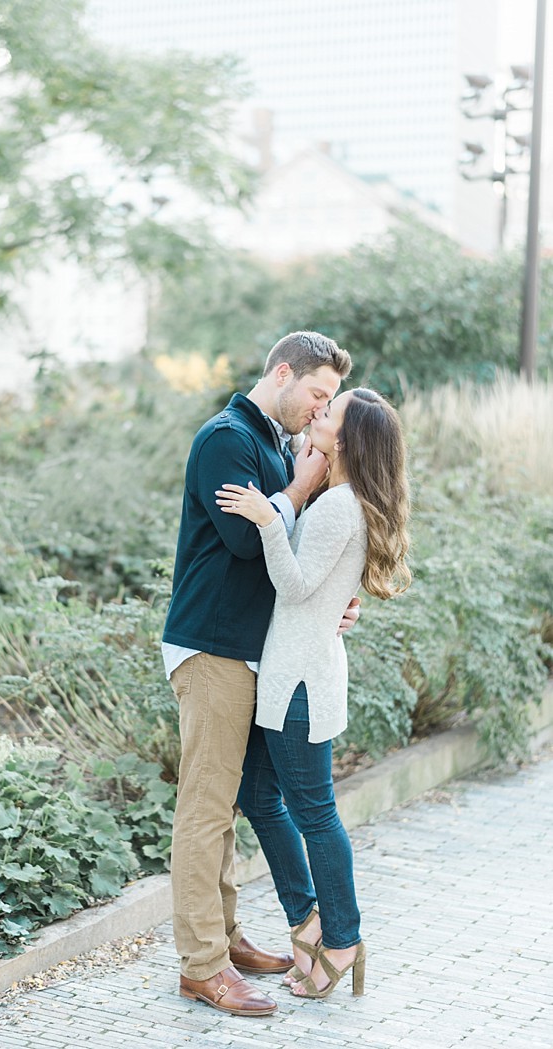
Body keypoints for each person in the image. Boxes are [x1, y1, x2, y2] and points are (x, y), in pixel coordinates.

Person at [162, 331, 357, 1017]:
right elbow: (248, 538)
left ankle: (226, 937)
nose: (320, 409)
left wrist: (331, 603)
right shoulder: (227, 438)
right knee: (205, 808)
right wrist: (301, 483)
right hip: (213, 648)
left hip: (252, 652)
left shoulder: (271, 441)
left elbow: (286, 557)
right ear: (283, 373)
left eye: (329, 399)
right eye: (318, 393)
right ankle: (202, 966)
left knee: (229, 806)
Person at [217, 386, 411, 1001]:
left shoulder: (337, 506)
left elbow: (296, 587)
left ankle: (342, 936)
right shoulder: (341, 498)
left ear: (346, 440)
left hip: (299, 681)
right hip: (296, 673)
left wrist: (269, 520)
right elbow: (323, 592)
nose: (318, 416)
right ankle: (310, 920)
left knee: (314, 813)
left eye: (329, 414)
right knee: (258, 793)